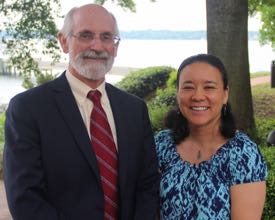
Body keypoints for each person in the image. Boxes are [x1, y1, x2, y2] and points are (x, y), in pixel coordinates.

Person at [4, 4, 160, 220]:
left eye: (107, 37)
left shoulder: (134, 109)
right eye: (86, 35)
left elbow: (148, 183)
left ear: (115, 46)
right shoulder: (28, 109)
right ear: (64, 41)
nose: (97, 46)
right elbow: (25, 199)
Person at [154, 54, 268, 219]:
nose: (198, 96)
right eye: (188, 87)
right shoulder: (161, 145)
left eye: (209, 87)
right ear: (178, 93)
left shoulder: (243, 154)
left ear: (225, 94)